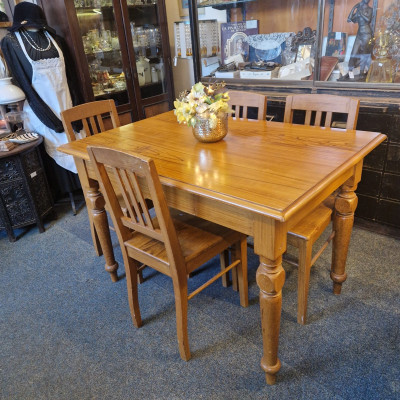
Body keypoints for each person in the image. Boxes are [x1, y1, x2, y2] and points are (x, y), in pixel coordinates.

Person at [1, 2, 83, 197]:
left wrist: (76, 115)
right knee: (54, 145)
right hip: (40, 110)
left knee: (78, 144)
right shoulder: (11, 42)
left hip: (66, 105)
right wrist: (50, 119)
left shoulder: (55, 39)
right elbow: (23, 82)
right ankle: (66, 192)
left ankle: (84, 187)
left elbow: (71, 78)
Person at [347, 0, 374, 70]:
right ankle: (350, 72)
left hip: (366, 34)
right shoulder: (359, 9)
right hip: (359, 34)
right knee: (353, 53)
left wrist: (361, 14)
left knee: (364, 54)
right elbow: (349, 19)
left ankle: (362, 73)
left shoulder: (370, 9)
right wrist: (354, 8)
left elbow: (368, 20)